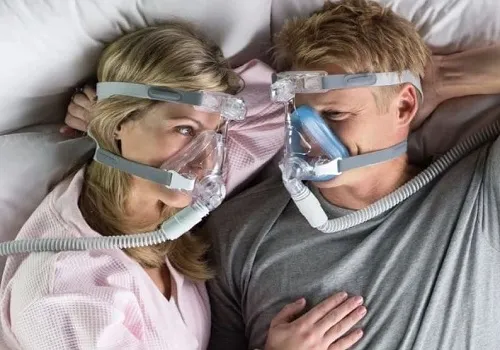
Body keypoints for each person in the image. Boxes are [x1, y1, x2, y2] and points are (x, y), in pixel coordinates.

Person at [0, 22, 369, 350]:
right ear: (119, 124)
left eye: (216, 135)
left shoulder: (164, 201)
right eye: (184, 130)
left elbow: (276, 111)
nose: (206, 161)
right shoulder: (70, 296)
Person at [199, 1, 500, 349]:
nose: (308, 136)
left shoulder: (478, 198)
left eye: (336, 114)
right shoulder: (238, 231)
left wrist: (442, 80)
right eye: (298, 114)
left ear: (404, 106)